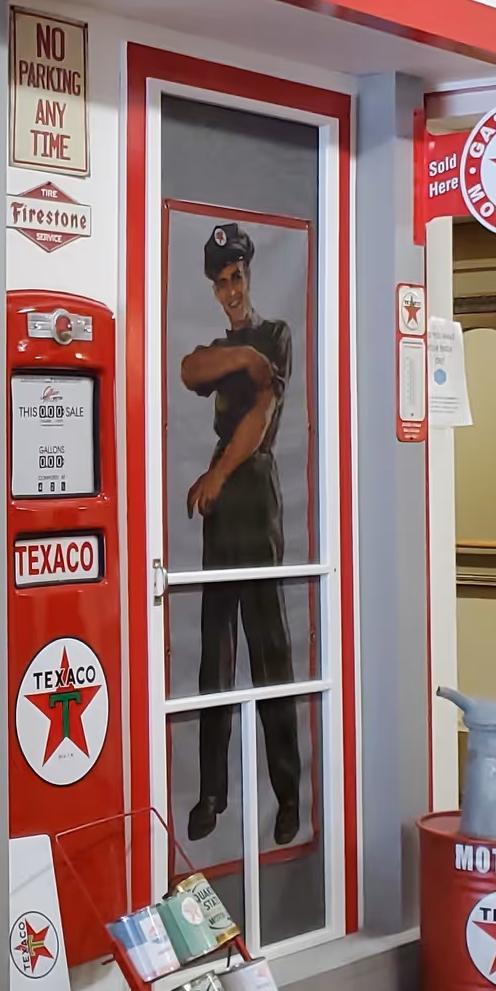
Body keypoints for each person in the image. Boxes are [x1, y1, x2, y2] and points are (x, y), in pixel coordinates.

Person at [180, 223, 302, 848]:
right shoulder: (236, 349)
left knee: (271, 654)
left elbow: (260, 418)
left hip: (253, 503)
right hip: (221, 519)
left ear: (250, 274)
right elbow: (189, 369)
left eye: (237, 277)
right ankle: (211, 793)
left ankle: (288, 795)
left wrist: (217, 473)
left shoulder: (277, 335)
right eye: (220, 282)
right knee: (214, 659)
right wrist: (244, 358)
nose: (230, 289)